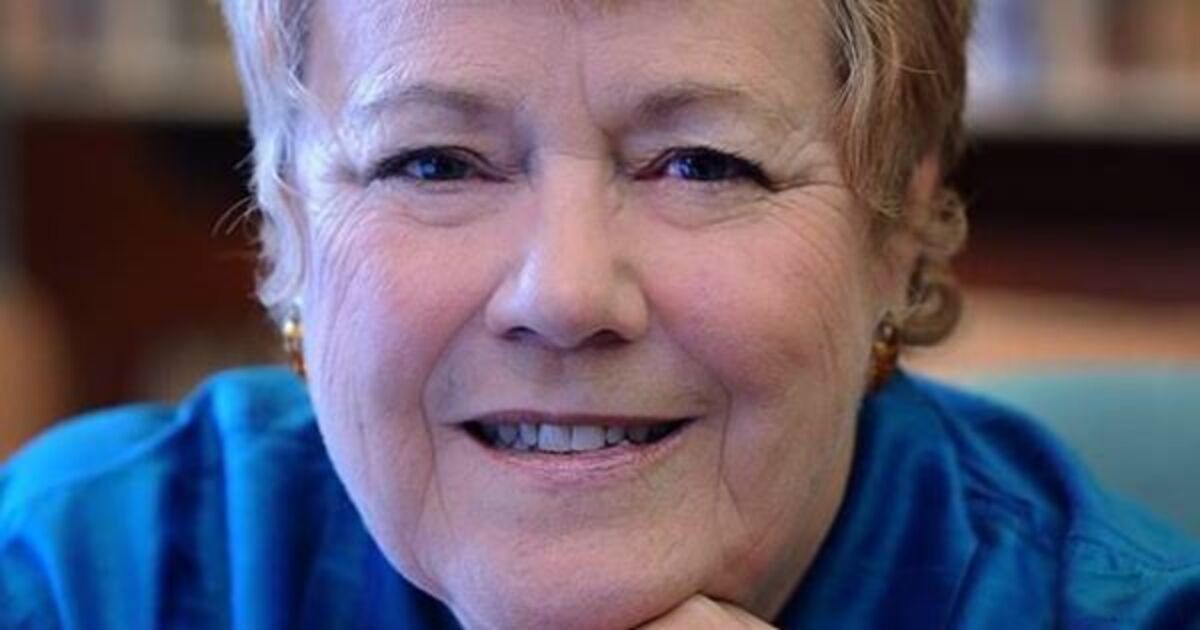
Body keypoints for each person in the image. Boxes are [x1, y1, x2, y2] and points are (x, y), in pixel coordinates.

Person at [2, 1, 1198, 628]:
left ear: (896, 236)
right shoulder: (76, 580)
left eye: (703, 164)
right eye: (434, 163)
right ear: (285, 233)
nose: (566, 295)